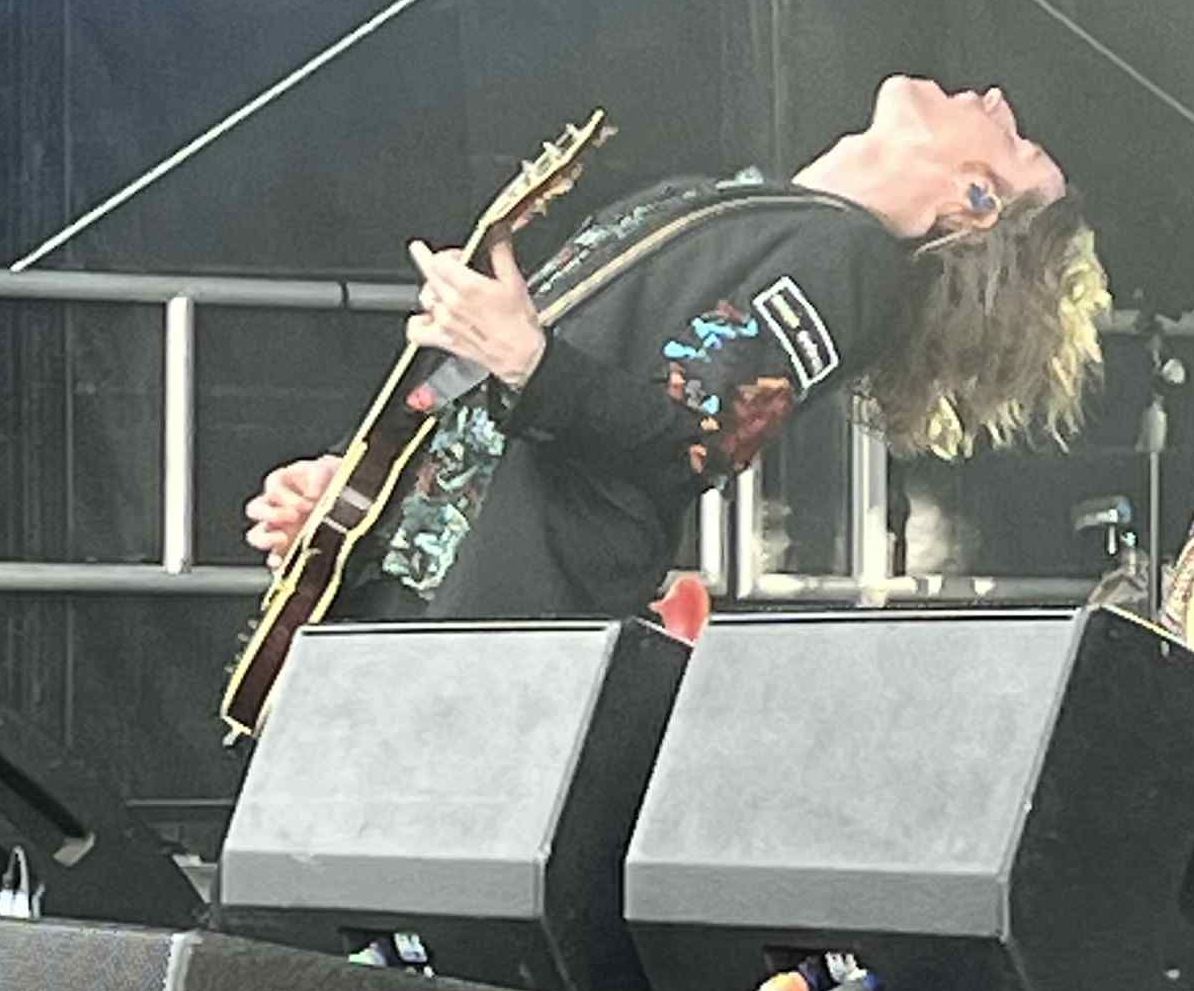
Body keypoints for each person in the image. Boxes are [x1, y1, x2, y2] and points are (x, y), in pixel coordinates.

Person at [243, 76, 1110, 621]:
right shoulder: (740, 202)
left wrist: (529, 361)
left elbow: (699, 439)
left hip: (506, 622)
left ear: (977, 201)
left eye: (1015, 141)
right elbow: (520, 380)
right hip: (424, 596)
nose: (997, 99)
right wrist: (363, 495)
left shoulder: (849, 263)